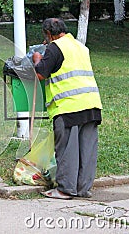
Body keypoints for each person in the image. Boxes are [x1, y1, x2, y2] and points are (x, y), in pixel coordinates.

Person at [33, 18, 102, 199]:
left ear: (49, 34)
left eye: (46, 37)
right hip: (91, 103)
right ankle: (83, 189)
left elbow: (40, 73)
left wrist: (37, 58)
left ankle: (64, 189)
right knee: (87, 150)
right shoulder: (81, 47)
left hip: (69, 105)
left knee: (67, 150)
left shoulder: (55, 47)